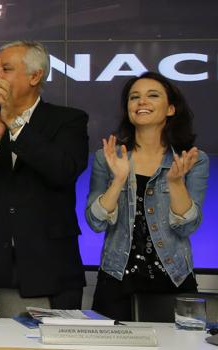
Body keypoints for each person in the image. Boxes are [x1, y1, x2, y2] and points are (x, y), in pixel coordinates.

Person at [0, 40, 89, 309]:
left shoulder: (69, 120)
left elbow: (63, 171)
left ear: (35, 76)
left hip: (51, 269)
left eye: (6, 69)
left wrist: (15, 125)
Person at [86, 71, 208, 320]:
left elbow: (187, 227)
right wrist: (118, 179)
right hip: (116, 280)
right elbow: (95, 222)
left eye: (152, 96)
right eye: (134, 97)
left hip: (174, 278)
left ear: (171, 109)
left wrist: (175, 183)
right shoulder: (107, 157)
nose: (141, 102)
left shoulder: (192, 160)